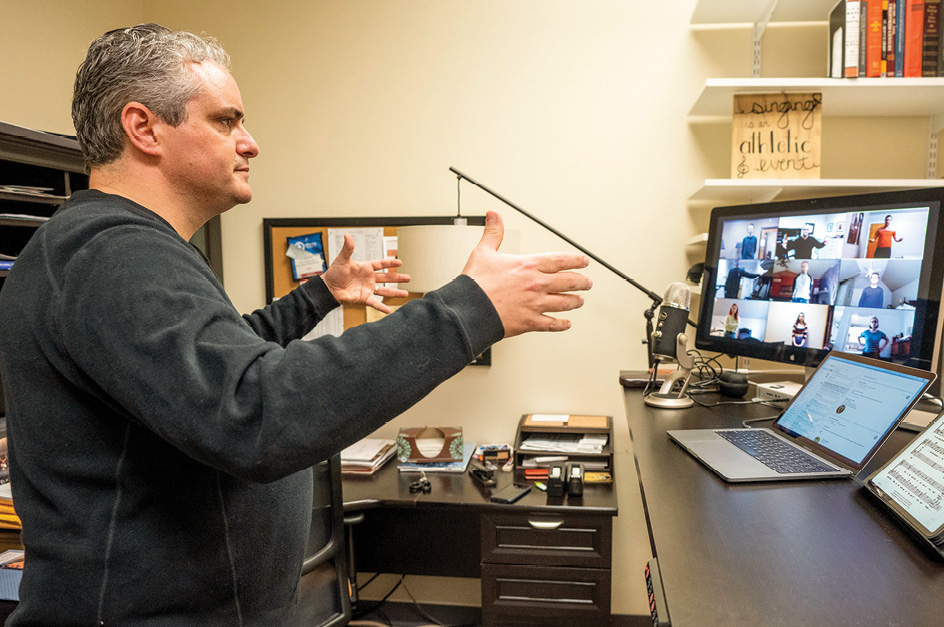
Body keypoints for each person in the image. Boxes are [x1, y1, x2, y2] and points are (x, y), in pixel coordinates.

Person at [0, 25, 592, 626]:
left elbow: (218, 361)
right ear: (144, 127)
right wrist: (469, 309)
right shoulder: (112, 255)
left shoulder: (121, 251)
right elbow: (254, 410)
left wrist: (320, 295)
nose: (250, 142)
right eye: (226, 121)